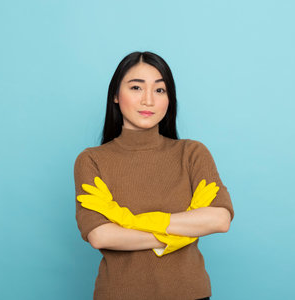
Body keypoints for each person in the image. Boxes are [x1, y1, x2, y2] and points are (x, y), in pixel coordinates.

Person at [73, 51, 234, 300]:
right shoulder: (92, 160)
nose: (148, 100)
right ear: (115, 95)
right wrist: (179, 234)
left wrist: (126, 220)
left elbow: (219, 219)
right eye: (136, 87)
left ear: (169, 99)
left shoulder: (191, 153)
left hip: (191, 294)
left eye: (160, 90)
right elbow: (101, 235)